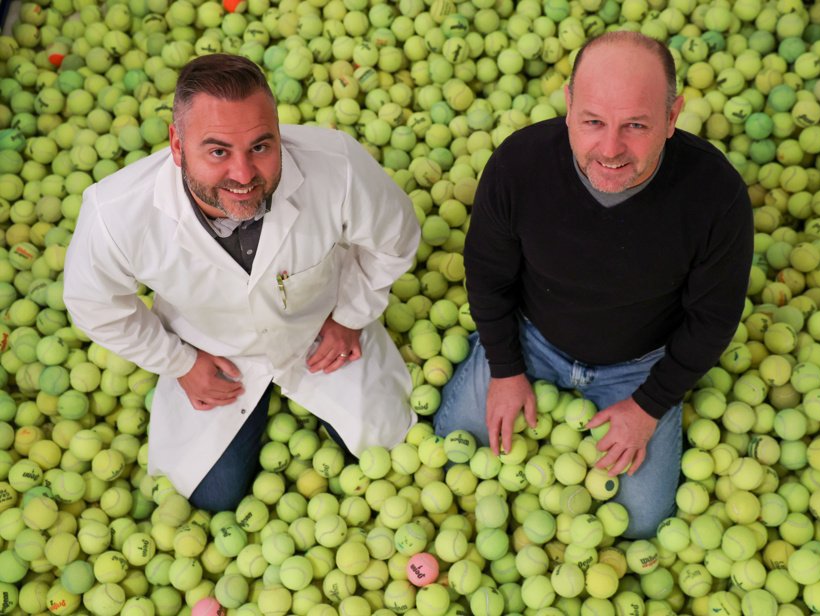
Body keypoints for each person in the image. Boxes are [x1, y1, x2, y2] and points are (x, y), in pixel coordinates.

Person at [64, 54, 421, 511]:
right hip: (213, 350)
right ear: (176, 144)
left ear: (278, 131)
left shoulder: (338, 165)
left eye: (260, 146)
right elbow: (92, 304)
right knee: (208, 498)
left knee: (389, 450)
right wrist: (178, 361)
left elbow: (397, 238)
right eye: (217, 151)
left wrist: (351, 314)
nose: (243, 174)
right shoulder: (114, 214)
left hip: (318, 331)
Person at [433, 31, 753, 538]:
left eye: (636, 125)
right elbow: (488, 275)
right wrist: (506, 368)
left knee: (641, 523)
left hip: (641, 364)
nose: (610, 149)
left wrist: (650, 405)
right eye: (593, 122)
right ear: (568, 106)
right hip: (531, 337)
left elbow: (713, 320)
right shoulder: (519, 166)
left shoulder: (718, 197)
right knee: (447, 453)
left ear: (673, 118)